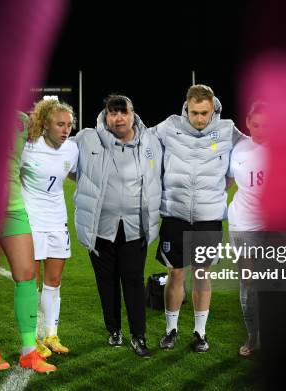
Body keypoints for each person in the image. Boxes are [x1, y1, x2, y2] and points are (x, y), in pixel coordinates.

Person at [153, 84, 245, 352]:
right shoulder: (170, 126)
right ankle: (171, 330)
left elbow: (253, 147)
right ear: (186, 107)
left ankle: (200, 333)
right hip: (175, 214)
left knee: (202, 274)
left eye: (204, 113)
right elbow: (141, 140)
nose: (199, 119)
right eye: (194, 113)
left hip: (208, 217)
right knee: (176, 272)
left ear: (213, 108)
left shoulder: (228, 129)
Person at [72, 95, 162, 358]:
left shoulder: (151, 142)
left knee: (133, 282)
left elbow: (160, 174)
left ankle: (139, 336)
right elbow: (67, 164)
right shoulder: (87, 138)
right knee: (106, 282)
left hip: (135, 226)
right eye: (113, 113)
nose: (118, 118)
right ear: (105, 115)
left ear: (133, 114)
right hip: (100, 226)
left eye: (123, 112)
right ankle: (114, 330)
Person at [0, 112, 57, 374]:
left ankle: (28, 353)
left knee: (26, 274)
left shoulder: (23, 121)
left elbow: (48, 140)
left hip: (13, 209)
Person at [20, 98, 78, 356]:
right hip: (31, 222)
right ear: (45, 124)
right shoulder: (28, 147)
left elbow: (76, 175)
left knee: (53, 282)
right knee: (30, 283)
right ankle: (32, 338)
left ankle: (51, 335)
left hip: (57, 221)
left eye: (69, 125)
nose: (65, 130)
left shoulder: (72, 150)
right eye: (60, 124)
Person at [226, 101, 268, 357]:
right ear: (248, 124)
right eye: (257, 124)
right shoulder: (239, 148)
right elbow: (227, 182)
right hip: (244, 223)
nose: (262, 130)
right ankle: (253, 337)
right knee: (249, 283)